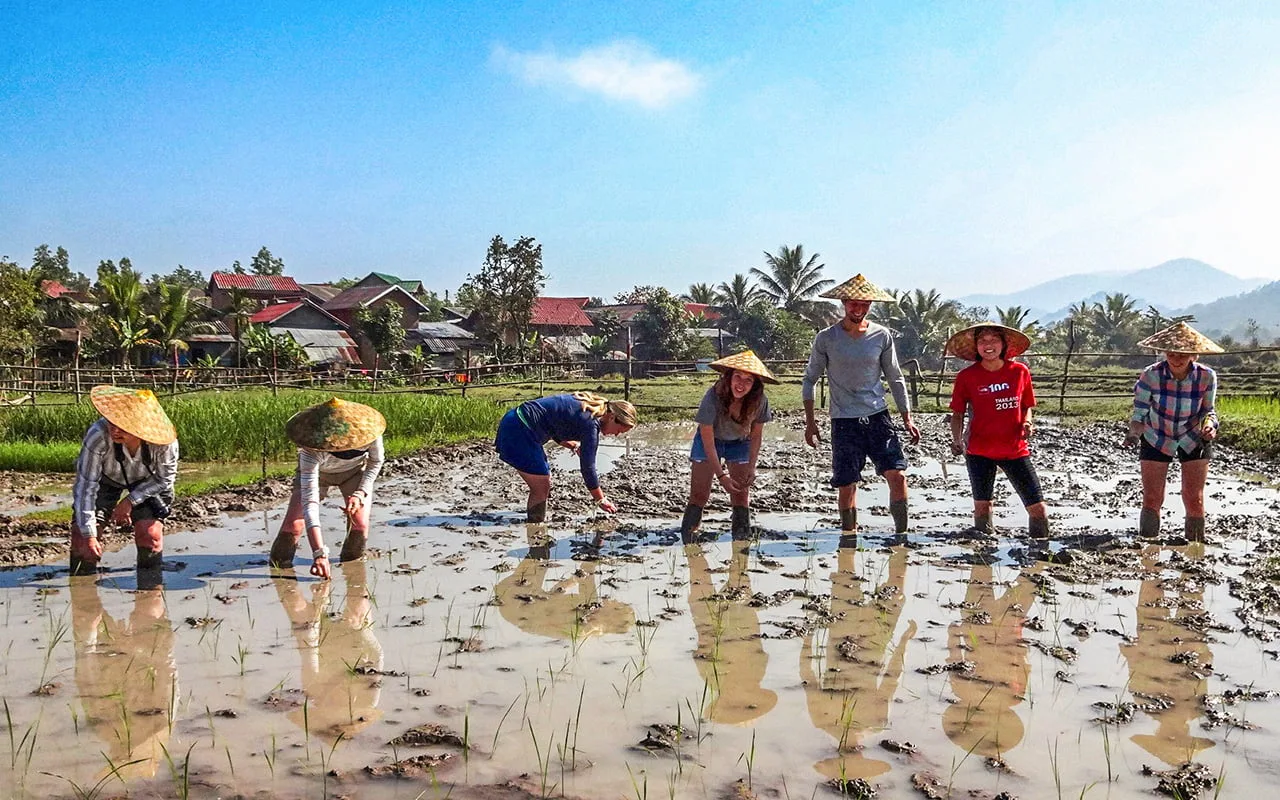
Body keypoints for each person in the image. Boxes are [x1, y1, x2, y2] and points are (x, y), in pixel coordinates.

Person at [802, 274, 921, 533]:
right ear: (844, 303)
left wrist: (907, 417)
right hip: (844, 421)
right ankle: (849, 537)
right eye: (853, 304)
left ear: (870, 305)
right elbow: (810, 379)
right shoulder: (826, 338)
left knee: (897, 475)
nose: (858, 309)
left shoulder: (881, 335)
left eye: (864, 304)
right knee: (847, 484)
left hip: (878, 416)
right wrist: (810, 422)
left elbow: (895, 377)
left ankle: (901, 535)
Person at [946, 323, 1049, 538]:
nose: (988, 345)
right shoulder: (967, 377)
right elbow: (957, 414)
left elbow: (1026, 405)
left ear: (1003, 345)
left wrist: (1028, 423)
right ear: (976, 347)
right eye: (982, 341)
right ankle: (982, 559)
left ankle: (1041, 551)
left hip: (1014, 449)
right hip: (979, 450)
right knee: (983, 507)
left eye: (994, 340)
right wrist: (956, 440)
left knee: (1037, 508)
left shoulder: (1019, 372)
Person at [1124, 321, 1222, 542]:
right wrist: (1133, 434)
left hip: (1193, 436)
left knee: (1193, 497)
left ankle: (1196, 547)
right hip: (1157, 435)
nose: (1176, 359)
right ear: (1164, 354)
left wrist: (1210, 426)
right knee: (1152, 497)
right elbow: (1140, 413)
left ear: (1193, 355)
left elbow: (1209, 411)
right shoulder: (1151, 375)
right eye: (1171, 354)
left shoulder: (1207, 376)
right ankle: (1147, 545)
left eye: (1183, 354)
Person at [270, 397, 386, 580]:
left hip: (353, 473)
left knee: (359, 523)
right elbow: (310, 505)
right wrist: (319, 553)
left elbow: (376, 461)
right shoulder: (311, 452)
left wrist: (360, 493)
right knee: (294, 524)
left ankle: (353, 570)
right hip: (319, 477)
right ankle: (278, 568)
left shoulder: (368, 434)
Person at [70, 385, 179, 577]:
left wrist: (130, 501)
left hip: (149, 481)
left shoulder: (164, 443)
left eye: (125, 426)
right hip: (106, 479)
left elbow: (164, 479)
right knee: (82, 539)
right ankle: (83, 592)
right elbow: (86, 486)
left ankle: (150, 589)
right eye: (112, 422)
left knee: (149, 534)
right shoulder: (98, 435)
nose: (115, 430)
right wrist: (89, 535)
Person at [494, 391, 637, 522]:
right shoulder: (591, 425)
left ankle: (536, 521)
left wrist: (572, 445)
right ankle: (535, 529)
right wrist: (601, 500)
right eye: (619, 430)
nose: (617, 434)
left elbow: (554, 422)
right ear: (612, 417)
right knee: (541, 485)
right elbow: (588, 468)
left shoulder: (587, 408)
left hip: (515, 420)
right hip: (520, 429)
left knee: (542, 481)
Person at [680, 350, 777, 538]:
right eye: (737, 377)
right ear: (729, 377)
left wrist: (751, 466)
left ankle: (741, 539)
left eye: (748, 380)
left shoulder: (760, 402)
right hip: (710, 440)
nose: (741, 384)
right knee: (699, 494)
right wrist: (721, 475)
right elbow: (707, 437)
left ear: (755, 385)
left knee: (741, 494)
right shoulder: (713, 397)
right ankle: (688, 536)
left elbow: (756, 435)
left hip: (740, 442)